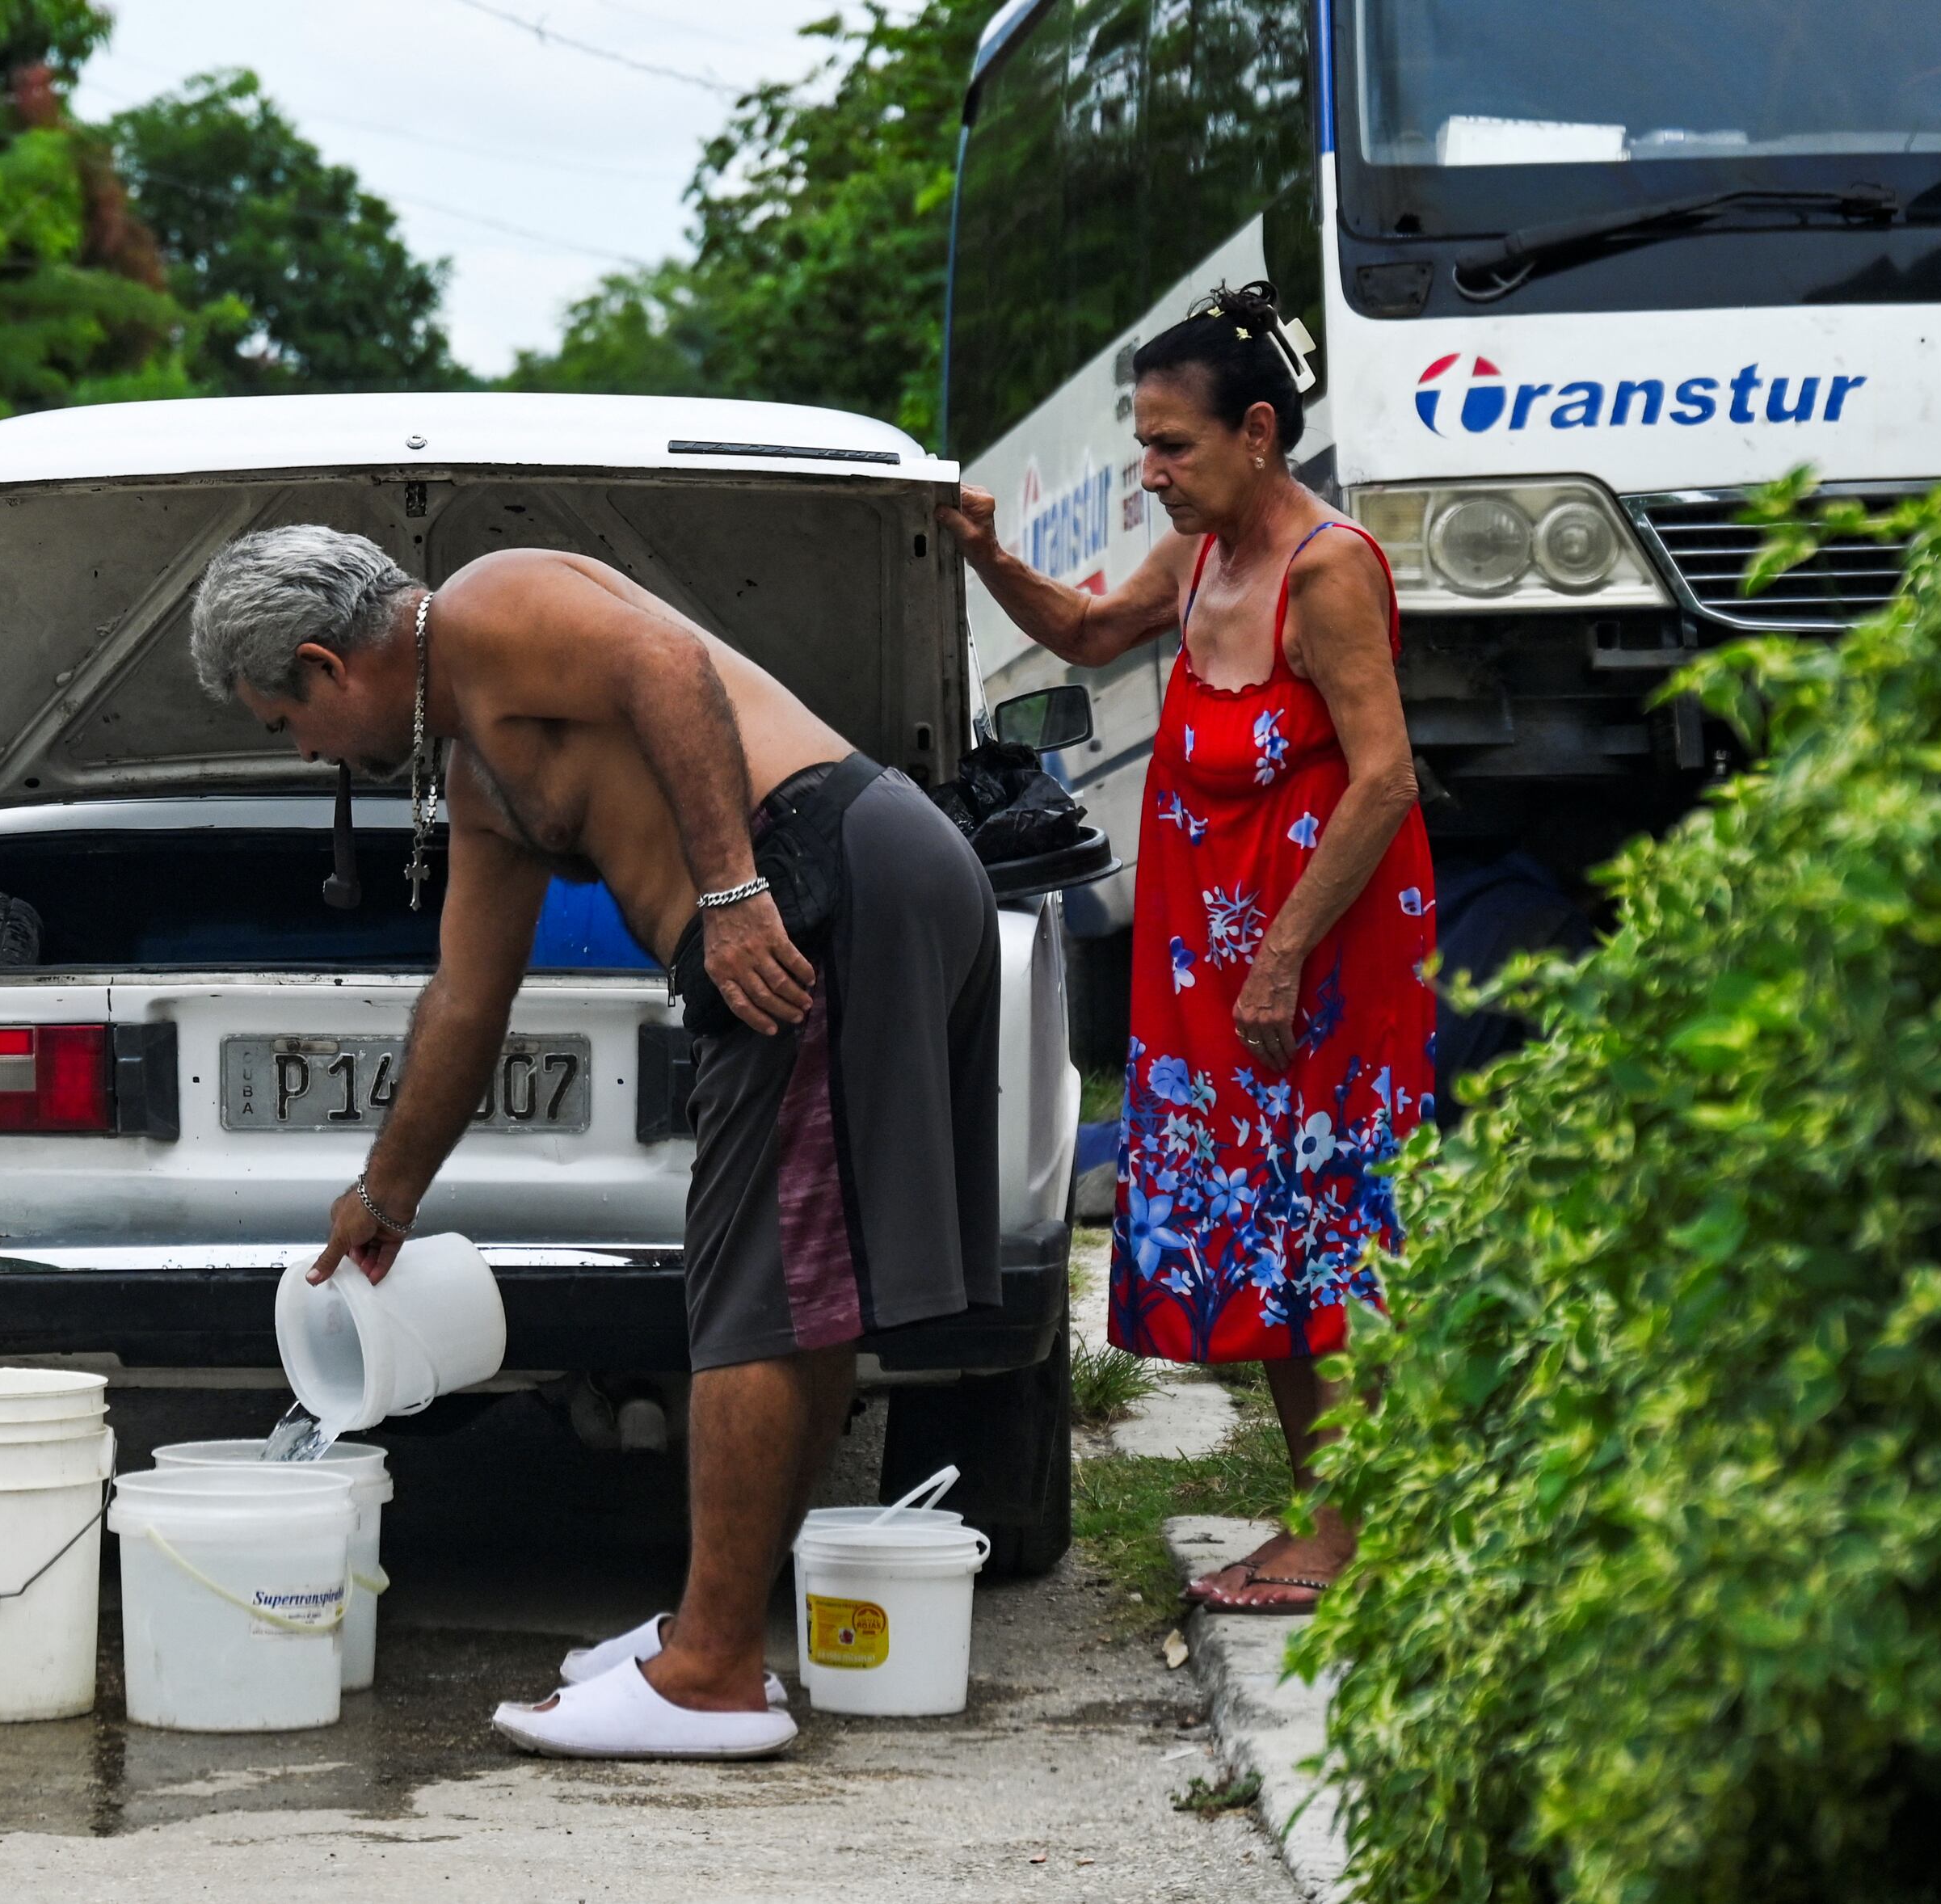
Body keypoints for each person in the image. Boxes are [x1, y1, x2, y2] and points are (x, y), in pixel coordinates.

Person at [187, 524, 1001, 1755]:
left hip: (819, 874)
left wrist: (731, 893)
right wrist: (384, 1197)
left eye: (284, 723)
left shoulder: (487, 605)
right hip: (851, 878)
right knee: (798, 1289)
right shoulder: (481, 771)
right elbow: (468, 1000)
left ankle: (711, 1673)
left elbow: (667, 665)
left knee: (753, 1293)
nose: (304, 752)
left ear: (325, 665)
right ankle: (716, 1633)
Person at [939, 281, 1434, 1614]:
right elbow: (1087, 633)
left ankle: (1345, 1530)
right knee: (1266, 1226)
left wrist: (1280, 957)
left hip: (1317, 957)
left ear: (1258, 433)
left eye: (1172, 445)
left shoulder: (1328, 569)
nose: (1149, 473)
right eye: (1143, 446)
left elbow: (1384, 778)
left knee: (1325, 1226)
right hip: (1220, 960)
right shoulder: (1202, 556)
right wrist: (985, 551)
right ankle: (1328, 1513)